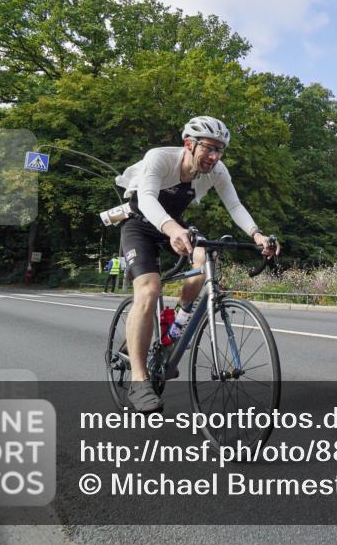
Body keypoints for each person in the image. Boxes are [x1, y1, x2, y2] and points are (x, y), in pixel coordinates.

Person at [115, 116, 278, 412]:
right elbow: (148, 198)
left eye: (220, 150)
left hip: (175, 225)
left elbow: (234, 205)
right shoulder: (160, 158)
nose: (214, 156)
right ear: (189, 144)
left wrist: (256, 234)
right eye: (208, 148)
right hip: (139, 224)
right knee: (149, 290)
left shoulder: (217, 171)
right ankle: (139, 383)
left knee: (204, 256)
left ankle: (174, 327)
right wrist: (172, 229)